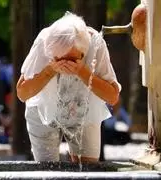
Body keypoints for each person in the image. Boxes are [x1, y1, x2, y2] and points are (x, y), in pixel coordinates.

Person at [16, 12, 121, 163]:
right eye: (58, 59)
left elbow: (112, 96)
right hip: (43, 110)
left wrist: (82, 72)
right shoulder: (44, 41)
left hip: (85, 108)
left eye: (70, 60)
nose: (65, 64)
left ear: (83, 53)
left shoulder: (95, 44)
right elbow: (22, 92)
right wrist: (50, 70)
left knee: (87, 169)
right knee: (47, 169)